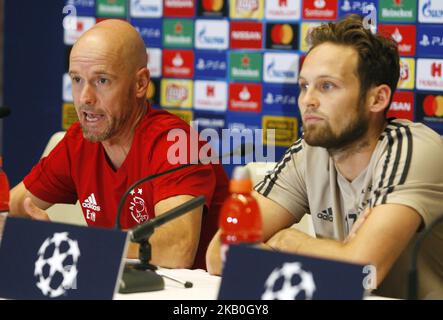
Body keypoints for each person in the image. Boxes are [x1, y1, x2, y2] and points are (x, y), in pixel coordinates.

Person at [207, 15, 443, 299]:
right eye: (304, 86)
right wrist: (343, 255)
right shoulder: (309, 152)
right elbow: (220, 254)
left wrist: (288, 241)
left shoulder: (413, 149)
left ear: (377, 99)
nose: (308, 100)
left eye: (327, 86)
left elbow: (365, 271)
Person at [9, 20, 229, 270]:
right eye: (77, 79)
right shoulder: (79, 141)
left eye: (102, 81)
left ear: (140, 84)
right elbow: (14, 205)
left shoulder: (177, 143)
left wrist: (75, 242)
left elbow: (177, 249)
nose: (84, 98)